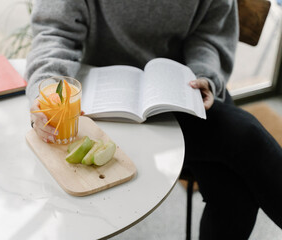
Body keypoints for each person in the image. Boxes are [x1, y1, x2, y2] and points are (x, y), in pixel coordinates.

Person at [25, 1, 282, 239]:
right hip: (104, 104)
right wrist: (46, 91)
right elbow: (57, 32)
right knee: (237, 176)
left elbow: (210, 33)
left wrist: (206, 74)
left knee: (236, 180)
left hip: (179, 91)